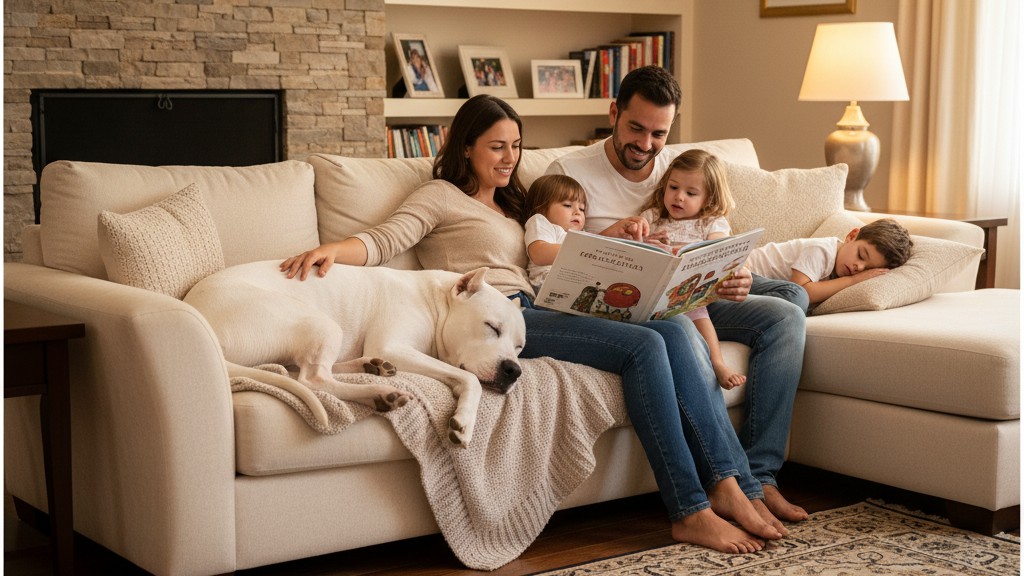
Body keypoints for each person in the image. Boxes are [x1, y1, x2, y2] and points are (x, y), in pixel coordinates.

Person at [280, 94, 787, 554]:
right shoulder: (439, 195)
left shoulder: (519, 203)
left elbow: (563, 243)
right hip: (498, 314)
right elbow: (387, 239)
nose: (509, 158)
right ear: (466, 149)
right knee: (645, 348)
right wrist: (333, 251)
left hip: (543, 305)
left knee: (675, 328)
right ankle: (691, 508)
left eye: (517, 146)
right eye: (497, 146)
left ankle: (729, 482)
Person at [546, 65, 810, 522]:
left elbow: (712, 226)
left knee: (788, 312)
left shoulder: (677, 168)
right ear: (613, 112)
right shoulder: (569, 172)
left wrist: (736, 274)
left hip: (689, 292)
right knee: (698, 327)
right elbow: (551, 256)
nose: (646, 145)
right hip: (629, 303)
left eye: (659, 133)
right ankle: (735, 484)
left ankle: (762, 477)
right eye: (635, 128)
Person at [639, 149, 744, 390]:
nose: (679, 197)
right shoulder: (652, 217)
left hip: (690, 294)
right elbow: (635, 247)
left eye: (691, 193)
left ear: (708, 199)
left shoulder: (712, 222)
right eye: (673, 188)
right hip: (653, 292)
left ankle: (717, 362)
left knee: (698, 314)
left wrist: (682, 248)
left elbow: (719, 249)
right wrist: (646, 241)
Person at [746, 218, 913, 308]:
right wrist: (854, 280)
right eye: (861, 255)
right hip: (745, 273)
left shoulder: (841, 268)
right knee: (798, 297)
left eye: (867, 269)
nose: (859, 267)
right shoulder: (822, 250)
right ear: (852, 235)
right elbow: (802, 291)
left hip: (762, 287)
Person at [522, 174, 587, 292]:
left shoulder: (582, 234)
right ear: (542, 208)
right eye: (568, 205)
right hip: (548, 282)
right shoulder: (542, 222)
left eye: (582, 209)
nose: (577, 212)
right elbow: (539, 253)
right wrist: (581, 251)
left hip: (576, 284)